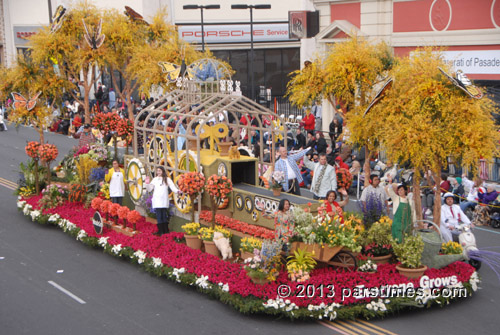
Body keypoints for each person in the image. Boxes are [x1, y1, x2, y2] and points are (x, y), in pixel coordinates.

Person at [145, 166, 180, 235]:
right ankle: (160, 231)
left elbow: (172, 187)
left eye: (160, 171)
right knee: (159, 215)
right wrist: (147, 183)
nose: (158, 172)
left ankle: (166, 230)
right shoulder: (155, 179)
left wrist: (177, 191)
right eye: (157, 171)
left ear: (163, 171)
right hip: (157, 200)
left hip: (163, 200)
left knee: (164, 215)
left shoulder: (167, 179)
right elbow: (149, 189)